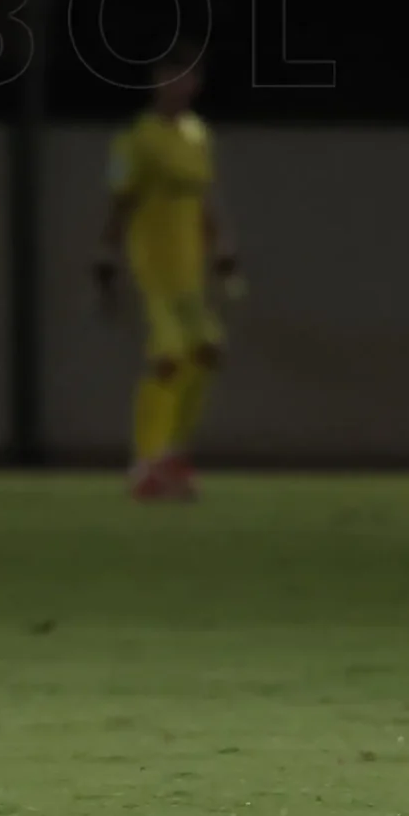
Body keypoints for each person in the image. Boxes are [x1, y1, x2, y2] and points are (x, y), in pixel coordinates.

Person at [95, 48, 244, 500]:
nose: (176, 85)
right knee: (167, 356)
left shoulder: (199, 136)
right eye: (168, 76)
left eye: (185, 77)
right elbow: (120, 203)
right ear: (156, 82)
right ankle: (145, 463)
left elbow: (205, 197)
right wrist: (106, 254)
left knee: (209, 351)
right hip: (152, 267)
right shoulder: (137, 139)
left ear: (195, 84)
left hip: (189, 272)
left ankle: (173, 455)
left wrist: (221, 249)